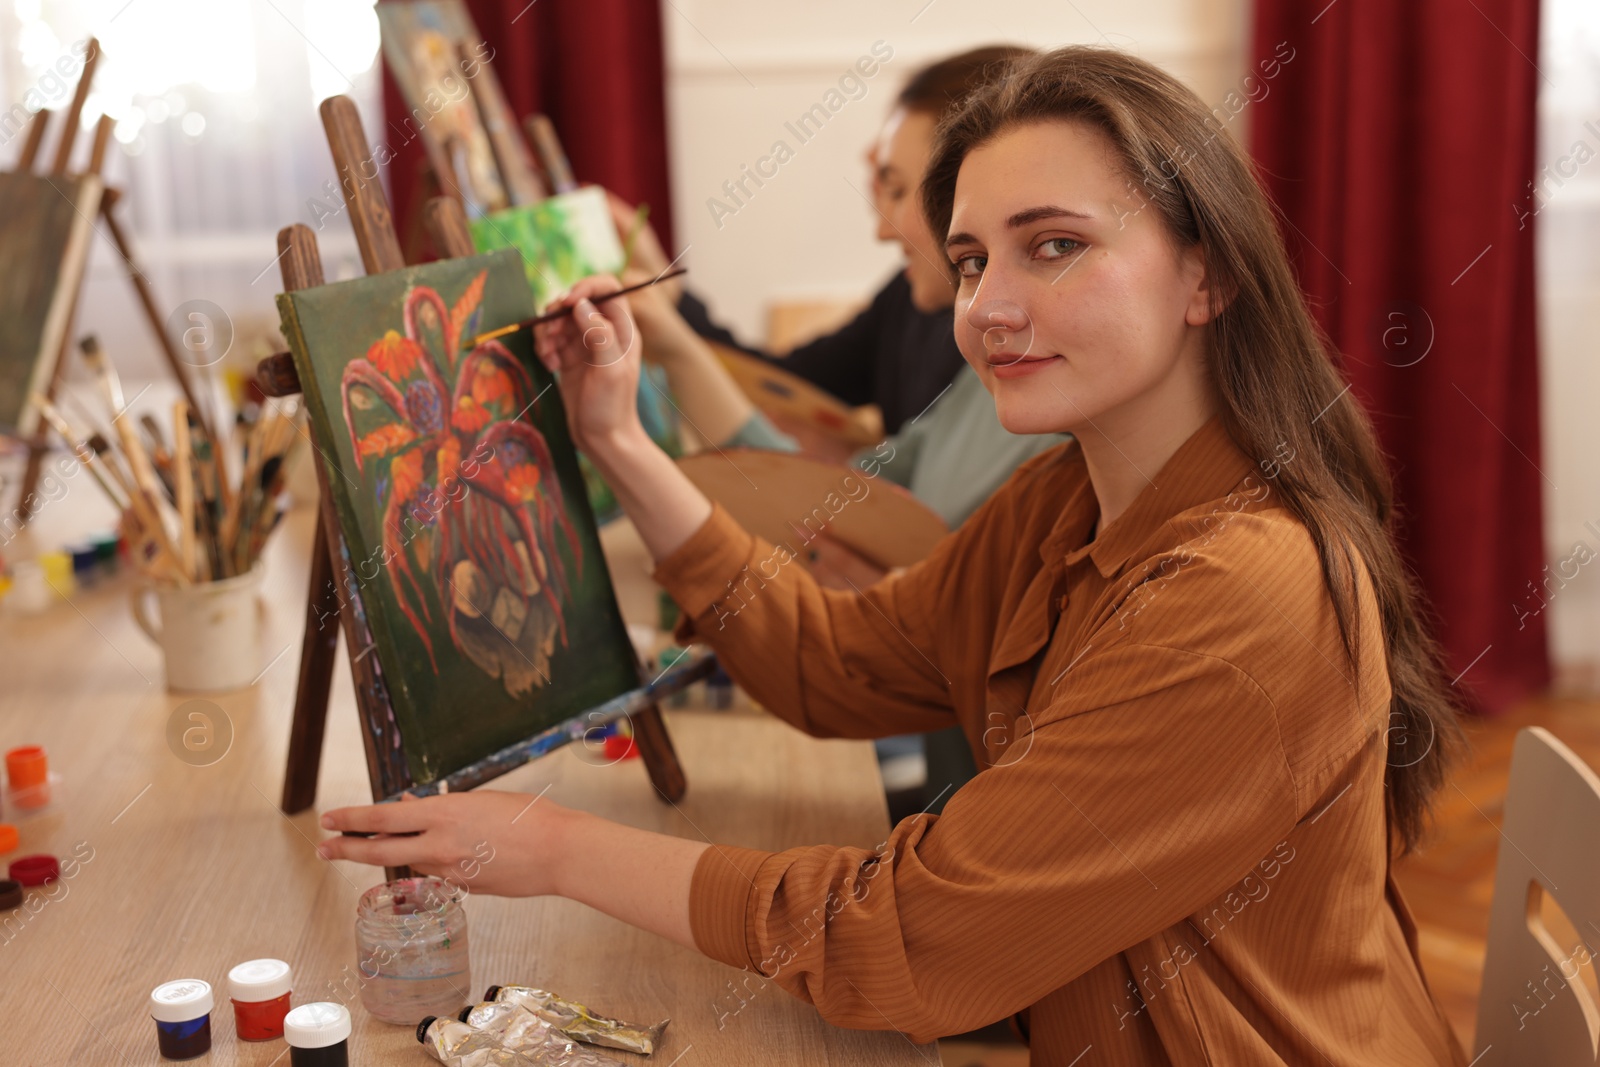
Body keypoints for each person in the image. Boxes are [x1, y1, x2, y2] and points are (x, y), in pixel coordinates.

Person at [319, 46, 1468, 1065]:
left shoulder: (1243, 589)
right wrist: (616, 436)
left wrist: (557, 847)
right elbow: (842, 659)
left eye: (1054, 246)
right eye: (970, 260)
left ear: (1207, 273)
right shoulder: (1069, 496)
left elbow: (916, 938)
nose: (989, 308)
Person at [617, 46, 1067, 533]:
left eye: (1058, 246)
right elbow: (846, 500)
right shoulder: (971, 357)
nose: (881, 229)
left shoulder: (1028, 388)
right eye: (973, 263)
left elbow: (869, 535)